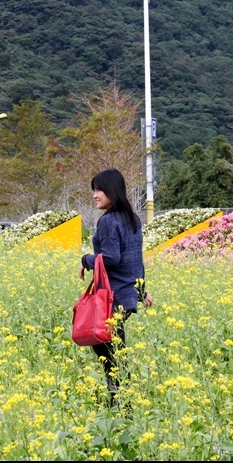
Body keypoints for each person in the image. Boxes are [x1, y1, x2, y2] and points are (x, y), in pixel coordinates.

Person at [79, 168, 153, 408]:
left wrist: (86, 260)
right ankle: (120, 401)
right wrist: (141, 292)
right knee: (113, 349)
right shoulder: (132, 218)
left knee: (108, 351)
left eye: (99, 190)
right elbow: (135, 260)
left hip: (111, 297)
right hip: (126, 296)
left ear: (112, 190)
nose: (95, 195)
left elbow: (110, 258)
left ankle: (122, 405)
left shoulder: (110, 220)